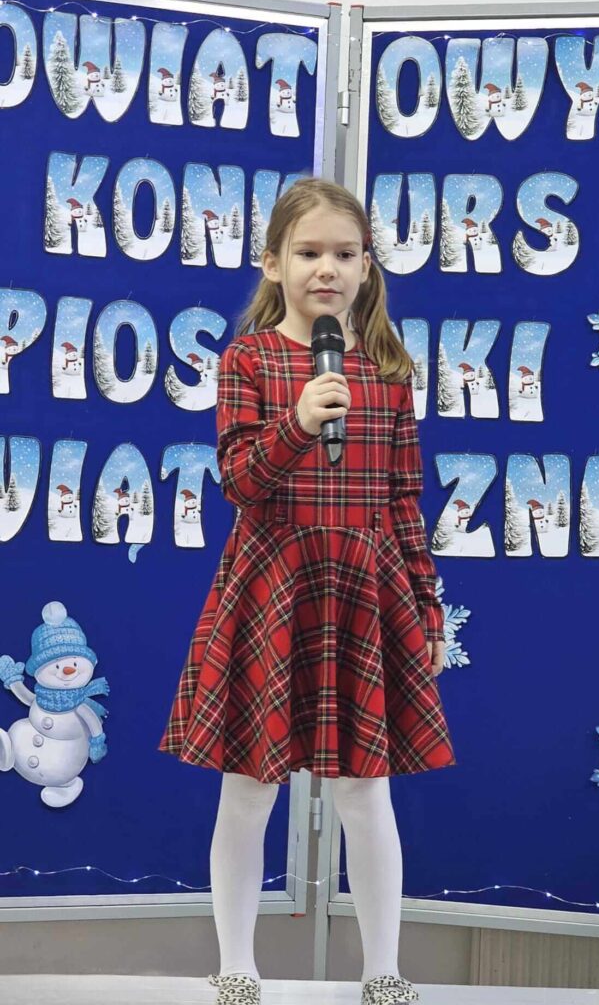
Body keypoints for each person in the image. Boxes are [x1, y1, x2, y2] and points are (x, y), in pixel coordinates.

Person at [158, 177, 456, 1005]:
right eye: (310, 252)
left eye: (344, 254)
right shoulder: (249, 361)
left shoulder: (387, 373)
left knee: (365, 789)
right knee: (249, 785)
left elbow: (403, 499)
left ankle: (382, 968)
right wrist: (299, 421)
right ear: (273, 263)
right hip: (274, 584)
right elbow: (240, 480)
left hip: (363, 588)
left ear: (366, 267)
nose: (328, 268)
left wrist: (427, 604)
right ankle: (237, 964)